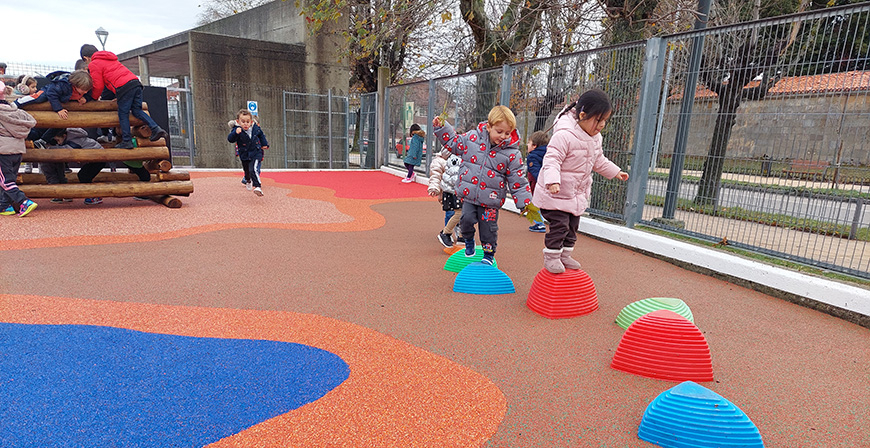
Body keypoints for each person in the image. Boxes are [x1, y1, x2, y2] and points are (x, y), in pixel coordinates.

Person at [533, 89, 630, 274]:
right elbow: (552, 159)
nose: (601, 125)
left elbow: (598, 160)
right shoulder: (564, 135)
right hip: (554, 194)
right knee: (560, 226)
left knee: (572, 226)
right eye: (598, 120)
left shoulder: (595, 138)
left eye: (604, 121)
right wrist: (552, 181)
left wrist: (615, 171)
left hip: (575, 194)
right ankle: (552, 257)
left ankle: (565, 255)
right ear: (583, 115)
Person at [432, 105, 533, 265]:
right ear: (488, 126)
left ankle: (488, 254)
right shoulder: (472, 139)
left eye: (507, 133)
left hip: (491, 201)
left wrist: (524, 202)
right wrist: (442, 127)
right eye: (499, 132)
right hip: (470, 196)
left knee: (489, 229)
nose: (503, 136)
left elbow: (518, 180)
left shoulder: (511, 153)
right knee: (465, 220)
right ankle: (469, 241)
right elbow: (454, 143)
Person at [80, 44, 168, 149]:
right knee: (137, 110)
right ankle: (156, 128)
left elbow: (98, 86)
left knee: (123, 114)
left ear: (86, 58)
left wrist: (92, 98)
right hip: (135, 83)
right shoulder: (109, 58)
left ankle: (127, 141)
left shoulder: (94, 64)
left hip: (124, 87)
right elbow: (114, 76)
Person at [15, 70, 93, 149]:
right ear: (75, 85)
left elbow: (90, 95)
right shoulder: (63, 85)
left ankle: (42, 141)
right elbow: (51, 94)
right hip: (48, 91)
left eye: (87, 90)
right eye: (83, 90)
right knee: (39, 98)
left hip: (62, 98)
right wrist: (58, 109)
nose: (86, 91)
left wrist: (86, 98)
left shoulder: (85, 88)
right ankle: (18, 102)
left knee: (60, 124)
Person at [0, 83, 39, 217]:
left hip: (2, 151)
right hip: (17, 150)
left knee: (5, 181)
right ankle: (4, 206)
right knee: (9, 179)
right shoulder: (14, 111)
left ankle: (24, 202)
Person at [228, 109, 269, 196]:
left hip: (255, 152)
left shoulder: (255, 128)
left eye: (247, 121)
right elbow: (230, 139)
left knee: (253, 169)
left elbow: (261, 135)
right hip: (244, 154)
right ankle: (248, 180)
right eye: (243, 122)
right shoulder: (237, 129)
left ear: (251, 121)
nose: (245, 124)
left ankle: (257, 186)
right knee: (247, 171)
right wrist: (235, 133)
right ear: (238, 122)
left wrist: (265, 144)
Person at [435, 151, 463, 249]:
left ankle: (461, 237)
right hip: (454, 192)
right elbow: (456, 176)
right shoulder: (456, 158)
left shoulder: (459, 157)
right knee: (459, 213)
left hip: (454, 191)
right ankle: (446, 233)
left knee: (466, 213)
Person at [525, 130, 550, 233]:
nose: (527, 145)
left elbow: (536, 172)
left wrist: (540, 183)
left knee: (534, 203)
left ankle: (539, 223)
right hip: (547, 182)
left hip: (537, 184)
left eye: (529, 143)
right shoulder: (549, 153)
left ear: (534, 145)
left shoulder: (532, 156)